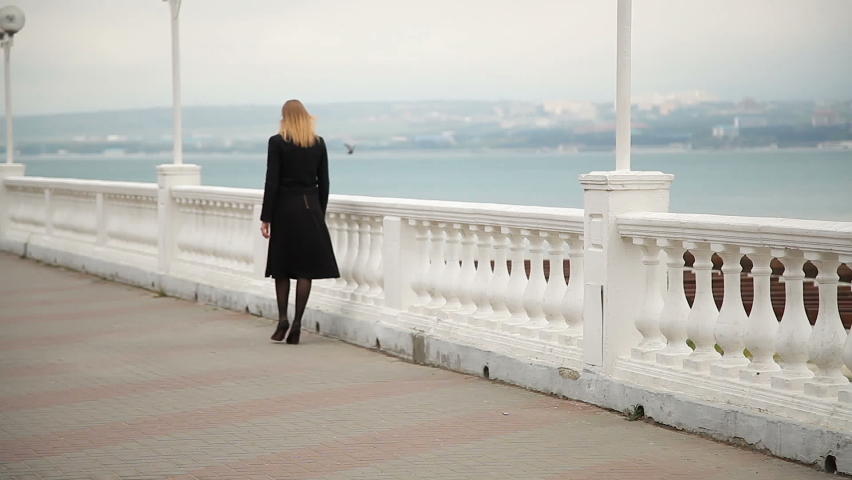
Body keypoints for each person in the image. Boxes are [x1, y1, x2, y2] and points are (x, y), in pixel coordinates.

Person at [260, 100, 340, 344]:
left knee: (281, 267)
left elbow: (272, 182)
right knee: (305, 270)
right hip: (310, 208)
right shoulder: (317, 143)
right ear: (306, 117)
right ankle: (297, 323)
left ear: (284, 117)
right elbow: (324, 182)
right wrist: (319, 212)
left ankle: (282, 318)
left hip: (284, 208)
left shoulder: (277, 142)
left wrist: (266, 217)